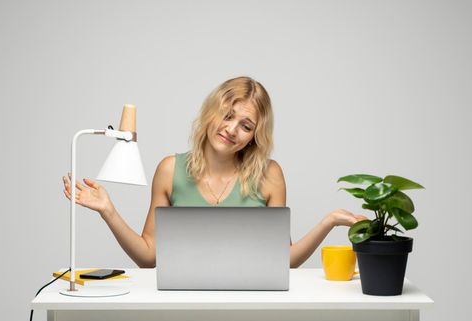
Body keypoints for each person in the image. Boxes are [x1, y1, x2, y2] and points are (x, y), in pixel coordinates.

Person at [63, 76, 366, 268]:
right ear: (211, 113)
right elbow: (148, 257)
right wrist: (108, 211)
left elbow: (283, 260)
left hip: (250, 308)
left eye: (246, 126)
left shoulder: (270, 175)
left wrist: (328, 222)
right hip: (181, 307)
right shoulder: (170, 170)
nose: (231, 129)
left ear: (255, 136)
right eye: (227, 115)